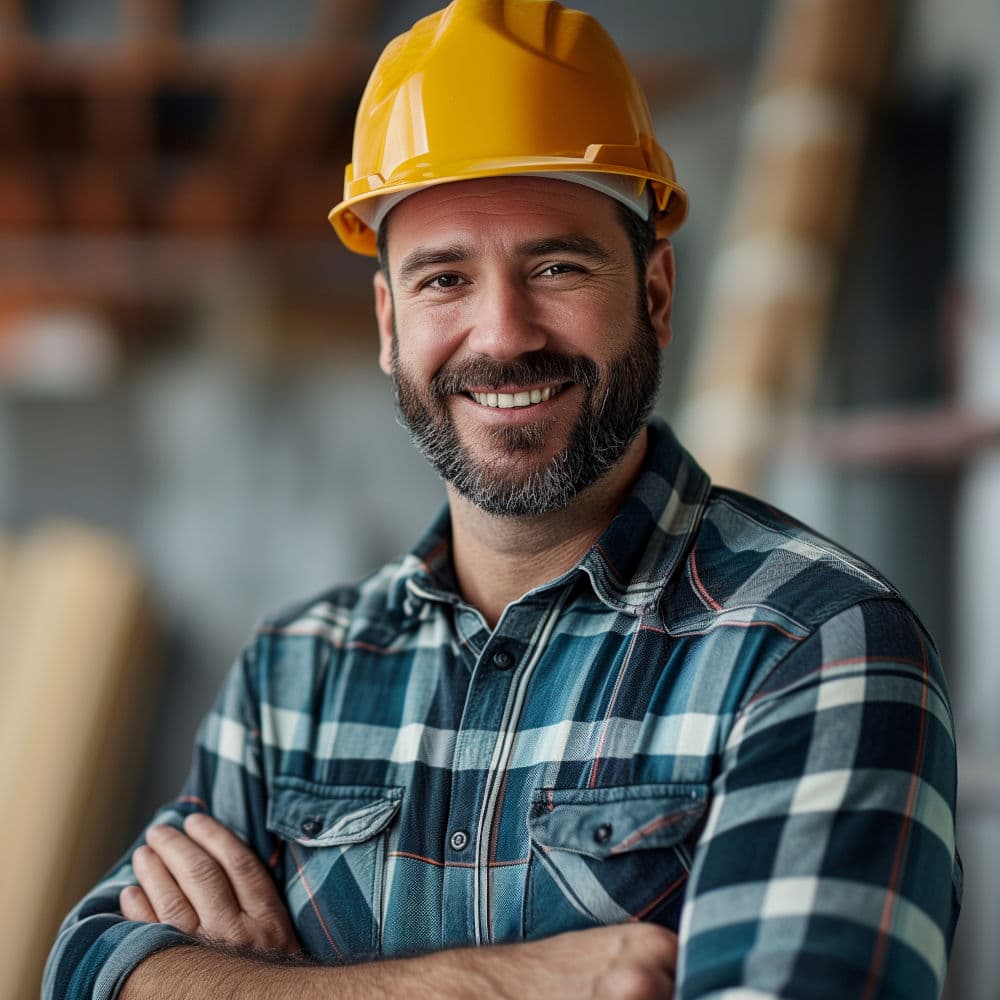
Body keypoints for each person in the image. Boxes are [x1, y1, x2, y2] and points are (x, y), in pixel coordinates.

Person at [44, 1, 962, 997]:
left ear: (653, 292)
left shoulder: (807, 643)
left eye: (556, 266)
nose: (502, 332)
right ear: (390, 322)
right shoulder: (294, 675)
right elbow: (89, 969)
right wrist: (510, 980)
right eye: (444, 278)